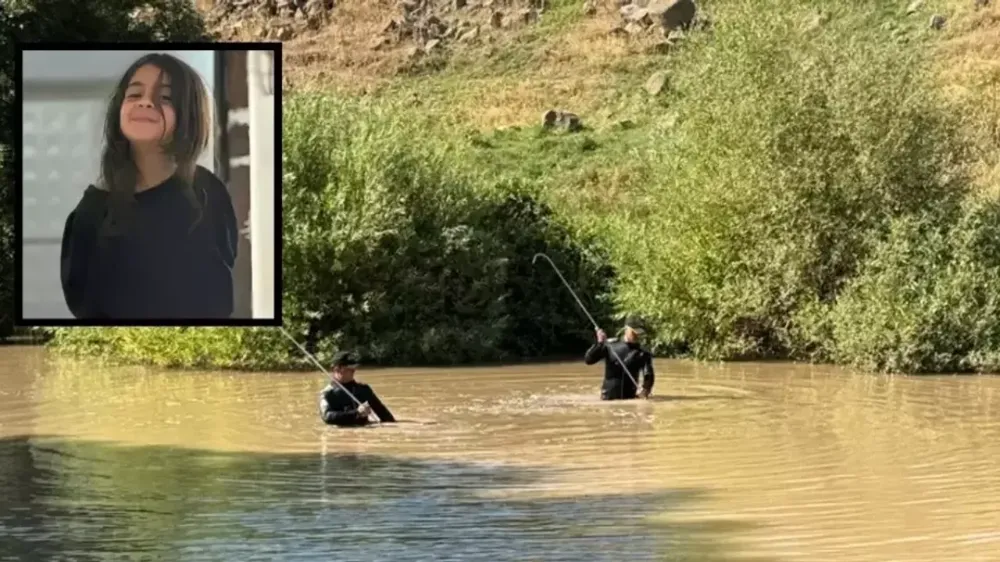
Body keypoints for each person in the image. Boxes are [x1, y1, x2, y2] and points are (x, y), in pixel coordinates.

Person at [59, 53, 238, 320]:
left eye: (164, 97)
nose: (146, 103)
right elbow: (83, 303)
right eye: (134, 94)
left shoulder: (208, 191)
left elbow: (221, 287)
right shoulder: (91, 212)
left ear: (189, 114)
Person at [584, 315, 655, 400]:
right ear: (626, 329)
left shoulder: (642, 354)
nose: (636, 335)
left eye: (639, 333)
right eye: (634, 332)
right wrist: (599, 344)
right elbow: (588, 360)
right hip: (607, 400)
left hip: (629, 401)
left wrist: (645, 390)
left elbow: (649, 376)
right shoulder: (610, 345)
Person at [319, 351, 396, 427]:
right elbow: (327, 417)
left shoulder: (363, 390)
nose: (353, 371)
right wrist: (357, 413)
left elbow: (386, 417)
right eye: (350, 368)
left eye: (354, 368)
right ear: (337, 369)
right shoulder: (327, 393)